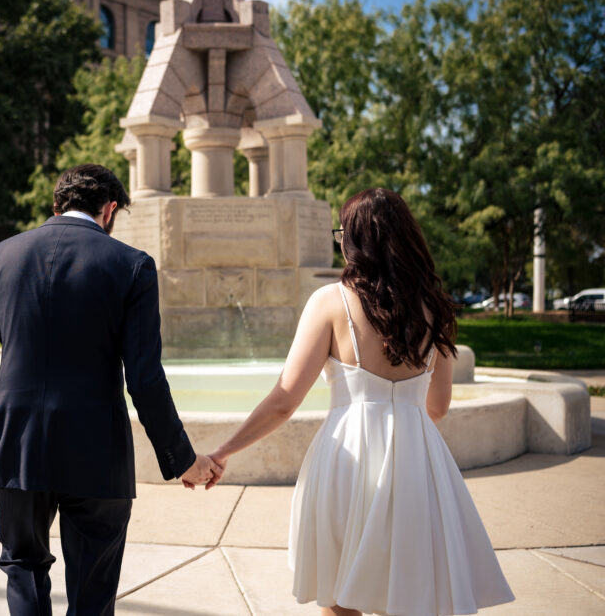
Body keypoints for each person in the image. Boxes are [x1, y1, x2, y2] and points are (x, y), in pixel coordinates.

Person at [207, 188, 514, 616]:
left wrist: (222, 451)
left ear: (353, 241)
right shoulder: (437, 309)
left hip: (346, 456)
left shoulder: (329, 303)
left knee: (339, 596)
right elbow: (438, 405)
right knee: (407, 592)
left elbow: (283, 401)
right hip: (416, 460)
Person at [0, 164, 220, 615]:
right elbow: (144, 378)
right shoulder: (133, 265)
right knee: (92, 591)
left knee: (23, 569)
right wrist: (182, 460)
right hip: (97, 453)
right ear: (109, 210)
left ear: (57, 204)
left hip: (16, 449)